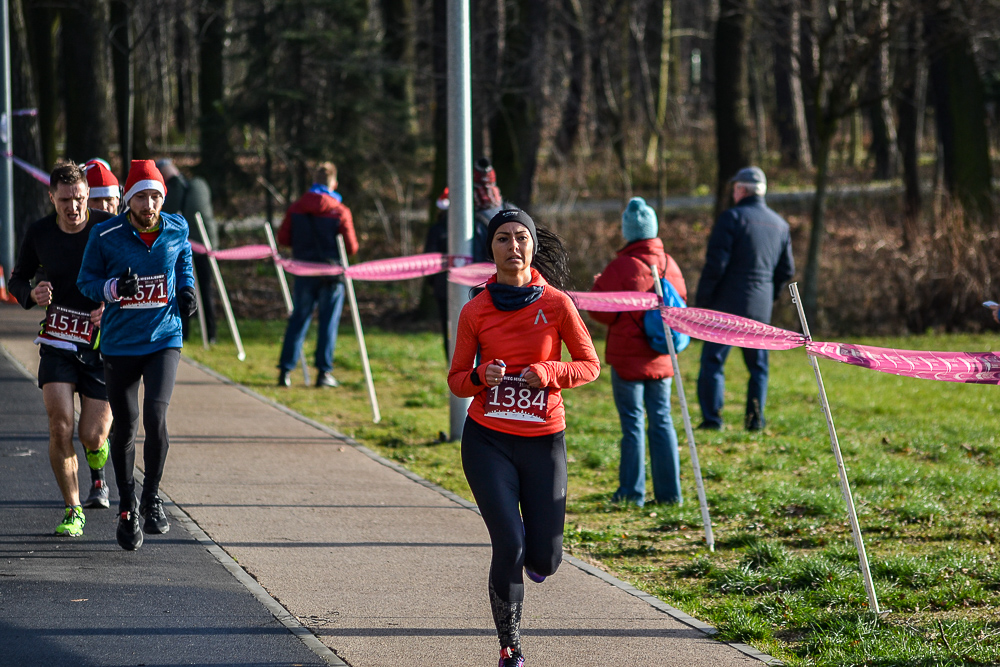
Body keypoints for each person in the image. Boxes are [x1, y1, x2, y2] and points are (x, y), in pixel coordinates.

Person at [448, 209, 600, 667]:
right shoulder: (475, 309)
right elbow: (456, 380)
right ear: (490, 250)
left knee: (545, 558)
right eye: (502, 239)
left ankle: (540, 559)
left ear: (533, 246)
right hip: (487, 440)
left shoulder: (557, 304)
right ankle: (510, 647)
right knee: (508, 544)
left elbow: (590, 365)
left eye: (520, 238)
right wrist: (480, 376)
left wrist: (549, 370)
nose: (512, 246)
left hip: (543, 441)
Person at [78, 159, 197, 551]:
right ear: (128, 200)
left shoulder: (177, 226)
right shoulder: (105, 234)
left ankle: (152, 498)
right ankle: (127, 506)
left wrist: (187, 292)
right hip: (120, 343)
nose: (149, 205)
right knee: (125, 428)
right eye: (142, 197)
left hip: (164, 337)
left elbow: (184, 263)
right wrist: (114, 288)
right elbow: (86, 283)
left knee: (156, 417)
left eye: (156, 196)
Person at [9, 162, 115, 537]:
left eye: (80, 199)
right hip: (57, 338)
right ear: (52, 197)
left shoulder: (106, 227)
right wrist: (30, 294)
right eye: (66, 200)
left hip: (100, 343)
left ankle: (96, 456)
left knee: (92, 434)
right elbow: (17, 278)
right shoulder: (39, 232)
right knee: (60, 425)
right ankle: (73, 509)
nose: (74, 207)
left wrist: (112, 306)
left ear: (88, 196)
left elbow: (127, 275)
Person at [590, 197, 687, 506]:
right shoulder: (672, 264)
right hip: (662, 356)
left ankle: (632, 494)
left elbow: (601, 313)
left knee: (632, 424)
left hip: (627, 360)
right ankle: (670, 495)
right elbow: (682, 305)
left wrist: (597, 288)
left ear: (628, 231)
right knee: (662, 420)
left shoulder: (620, 267)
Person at [695, 166, 795, 431]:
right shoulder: (781, 225)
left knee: (713, 361)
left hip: (726, 305)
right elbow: (786, 270)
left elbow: (716, 264)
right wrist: (768, 293)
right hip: (760, 305)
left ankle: (712, 419)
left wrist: (703, 299)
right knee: (758, 366)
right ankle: (755, 420)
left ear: (741, 190)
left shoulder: (732, 218)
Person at [276, 162, 358, 388]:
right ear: (334, 183)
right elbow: (351, 247)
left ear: (314, 181)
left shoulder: (296, 207)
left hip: (303, 271)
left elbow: (283, 238)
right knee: (328, 323)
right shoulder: (340, 211)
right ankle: (323, 373)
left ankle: (285, 370)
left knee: (299, 319)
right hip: (331, 275)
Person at [157, 158, 218, 344]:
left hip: (186, 248)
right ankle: (210, 333)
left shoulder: (175, 190)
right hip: (204, 247)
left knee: (183, 289)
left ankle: (185, 332)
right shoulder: (195, 186)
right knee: (200, 291)